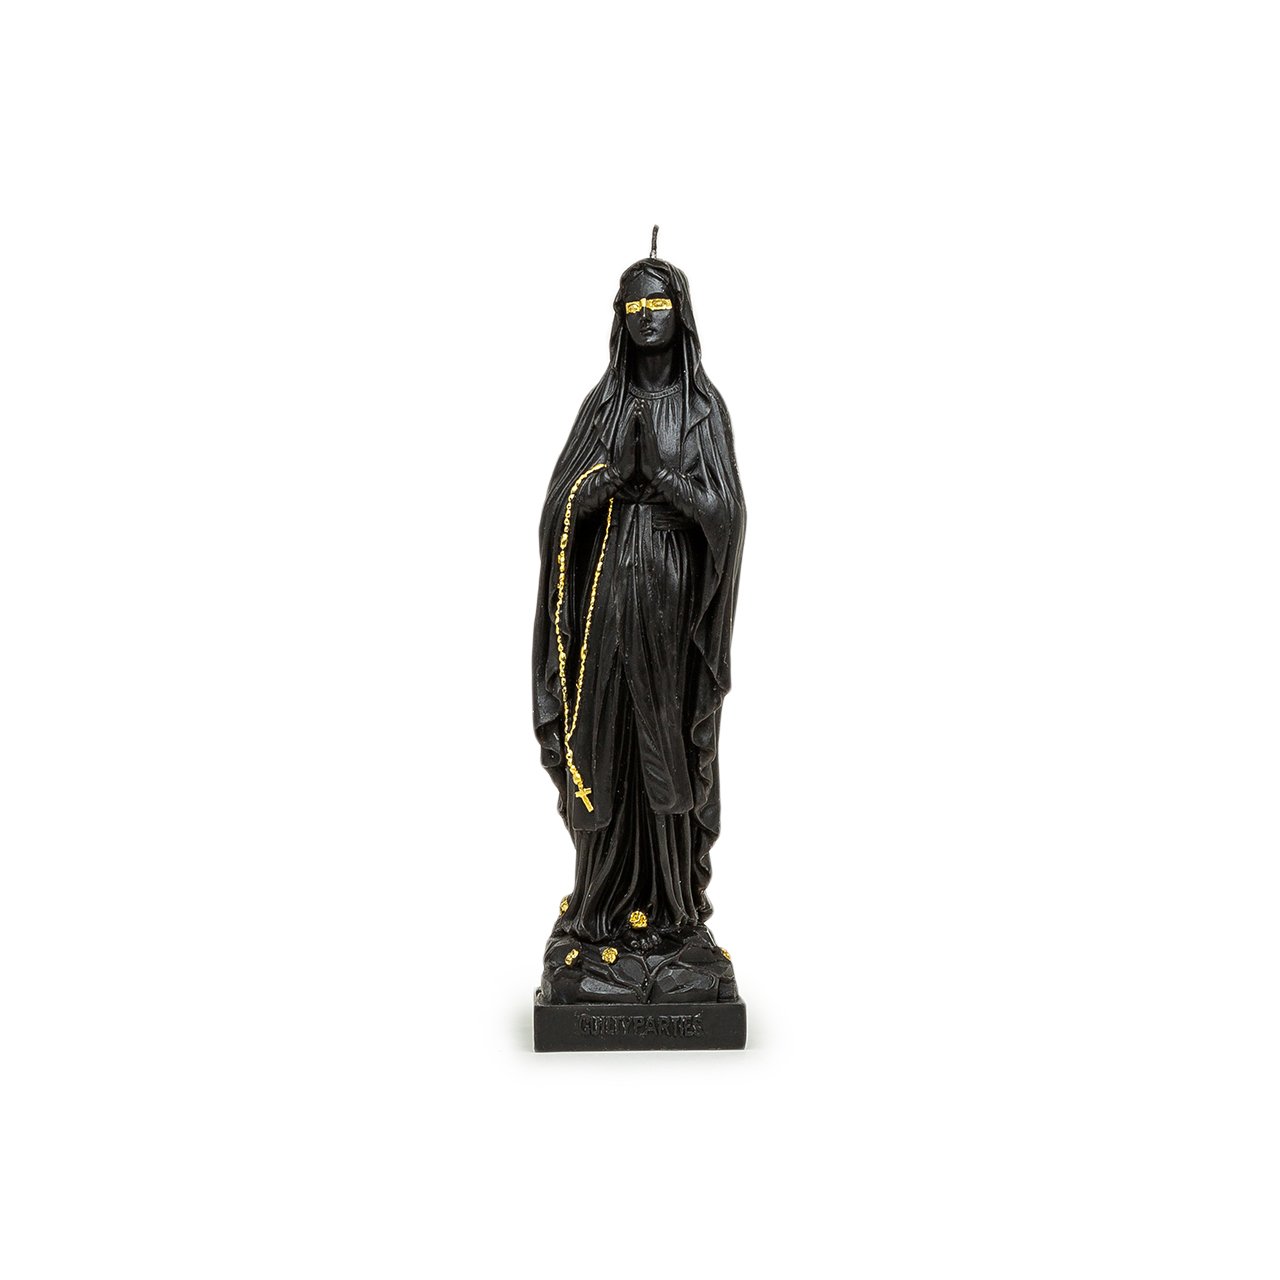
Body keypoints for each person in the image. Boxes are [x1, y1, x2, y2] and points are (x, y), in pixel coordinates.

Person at [532, 246, 746, 1003]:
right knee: (602, 742)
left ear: (680, 312)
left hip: (671, 605)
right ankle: (598, 915)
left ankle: (675, 916)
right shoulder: (604, 407)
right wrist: (607, 484)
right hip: (605, 605)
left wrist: (668, 482)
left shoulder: (701, 410)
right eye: (632, 304)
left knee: (666, 752)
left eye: (657, 302)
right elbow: (558, 511)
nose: (645, 316)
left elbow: (727, 516)